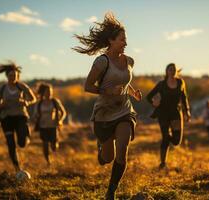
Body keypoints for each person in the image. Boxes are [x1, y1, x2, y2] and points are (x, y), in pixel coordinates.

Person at [73, 12, 142, 200]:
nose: (125, 43)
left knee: (122, 153)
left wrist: (133, 92)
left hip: (124, 111)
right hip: (104, 113)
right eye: (122, 40)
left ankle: (111, 191)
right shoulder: (102, 62)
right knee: (107, 159)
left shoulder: (129, 61)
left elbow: (125, 82)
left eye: (125, 40)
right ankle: (101, 150)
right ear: (111, 40)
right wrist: (107, 92)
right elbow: (88, 86)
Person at [0, 61, 36, 172]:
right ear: (7, 76)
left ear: (18, 76)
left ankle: (26, 135)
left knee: (21, 143)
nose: (13, 77)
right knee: (11, 144)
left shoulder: (21, 86)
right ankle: (17, 168)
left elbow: (33, 99)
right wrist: (2, 104)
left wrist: (26, 102)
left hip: (20, 116)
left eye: (15, 75)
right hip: (6, 118)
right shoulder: (2, 89)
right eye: (11, 75)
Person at [146, 63, 191, 169]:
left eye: (173, 69)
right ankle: (163, 163)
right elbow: (149, 96)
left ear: (176, 71)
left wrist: (187, 112)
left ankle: (167, 140)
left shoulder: (180, 82)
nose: (171, 71)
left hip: (175, 112)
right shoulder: (162, 84)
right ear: (166, 71)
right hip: (163, 113)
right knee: (165, 138)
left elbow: (184, 98)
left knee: (176, 141)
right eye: (169, 69)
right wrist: (154, 103)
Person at [33, 83, 66, 165]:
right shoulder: (39, 103)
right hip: (43, 126)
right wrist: (36, 118)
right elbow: (35, 115)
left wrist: (60, 120)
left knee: (54, 147)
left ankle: (55, 146)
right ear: (43, 93)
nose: (49, 93)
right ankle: (48, 162)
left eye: (50, 91)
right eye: (47, 91)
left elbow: (63, 112)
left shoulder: (55, 101)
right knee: (45, 145)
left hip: (53, 126)